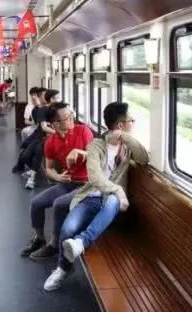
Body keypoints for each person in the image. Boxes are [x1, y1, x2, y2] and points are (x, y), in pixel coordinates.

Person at [43, 102, 149, 291]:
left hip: (113, 204)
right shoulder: (95, 146)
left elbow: (144, 158)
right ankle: (62, 268)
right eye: (131, 120)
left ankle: (81, 241)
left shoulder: (127, 147)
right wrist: (119, 189)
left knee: (113, 199)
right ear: (121, 124)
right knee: (68, 229)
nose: (133, 123)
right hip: (92, 197)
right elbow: (95, 178)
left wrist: (123, 136)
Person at [20, 102, 94, 260]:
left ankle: (54, 245)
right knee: (36, 203)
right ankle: (40, 238)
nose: (72, 118)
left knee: (59, 204)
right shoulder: (50, 142)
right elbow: (49, 168)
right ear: (55, 124)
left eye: (71, 114)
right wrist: (57, 177)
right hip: (68, 183)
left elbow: (94, 155)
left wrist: (79, 152)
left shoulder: (83, 131)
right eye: (67, 117)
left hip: (87, 185)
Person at [15, 89, 58, 190]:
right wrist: (56, 132)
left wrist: (58, 132)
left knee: (39, 149)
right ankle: (33, 171)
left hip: (49, 137)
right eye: (56, 98)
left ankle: (32, 177)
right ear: (51, 99)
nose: (58, 100)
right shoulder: (41, 110)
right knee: (25, 156)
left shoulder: (58, 110)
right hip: (41, 135)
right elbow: (43, 127)